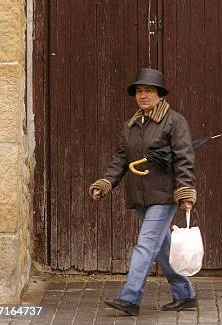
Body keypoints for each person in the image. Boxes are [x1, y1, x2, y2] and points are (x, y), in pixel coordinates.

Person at [88, 68, 198, 316]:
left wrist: (185, 192)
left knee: (145, 245)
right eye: (139, 91)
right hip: (140, 196)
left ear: (159, 94)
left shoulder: (174, 121)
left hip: (164, 195)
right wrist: (105, 183)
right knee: (162, 248)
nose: (143, 96)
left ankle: (130, 298)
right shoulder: (132, 124)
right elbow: (120, 159)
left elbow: (184, 158)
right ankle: (185, 294)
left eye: (148, 91)